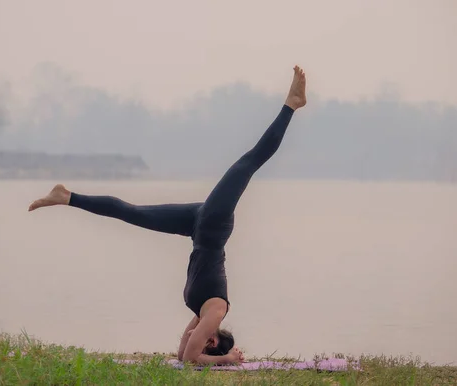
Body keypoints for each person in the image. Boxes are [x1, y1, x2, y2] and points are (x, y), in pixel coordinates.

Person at [28, 65, 307, 365]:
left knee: (130, 212)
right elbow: (190, 356)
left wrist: (215, 357)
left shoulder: (202, 314)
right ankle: (291, 105)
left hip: (199, 225)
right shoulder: (212, 314)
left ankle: (67, 197)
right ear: (212, 339)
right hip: (211, 225)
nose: (191, 335)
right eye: (202, 340)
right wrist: (224, 360)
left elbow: (183, 356)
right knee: (248, 163)